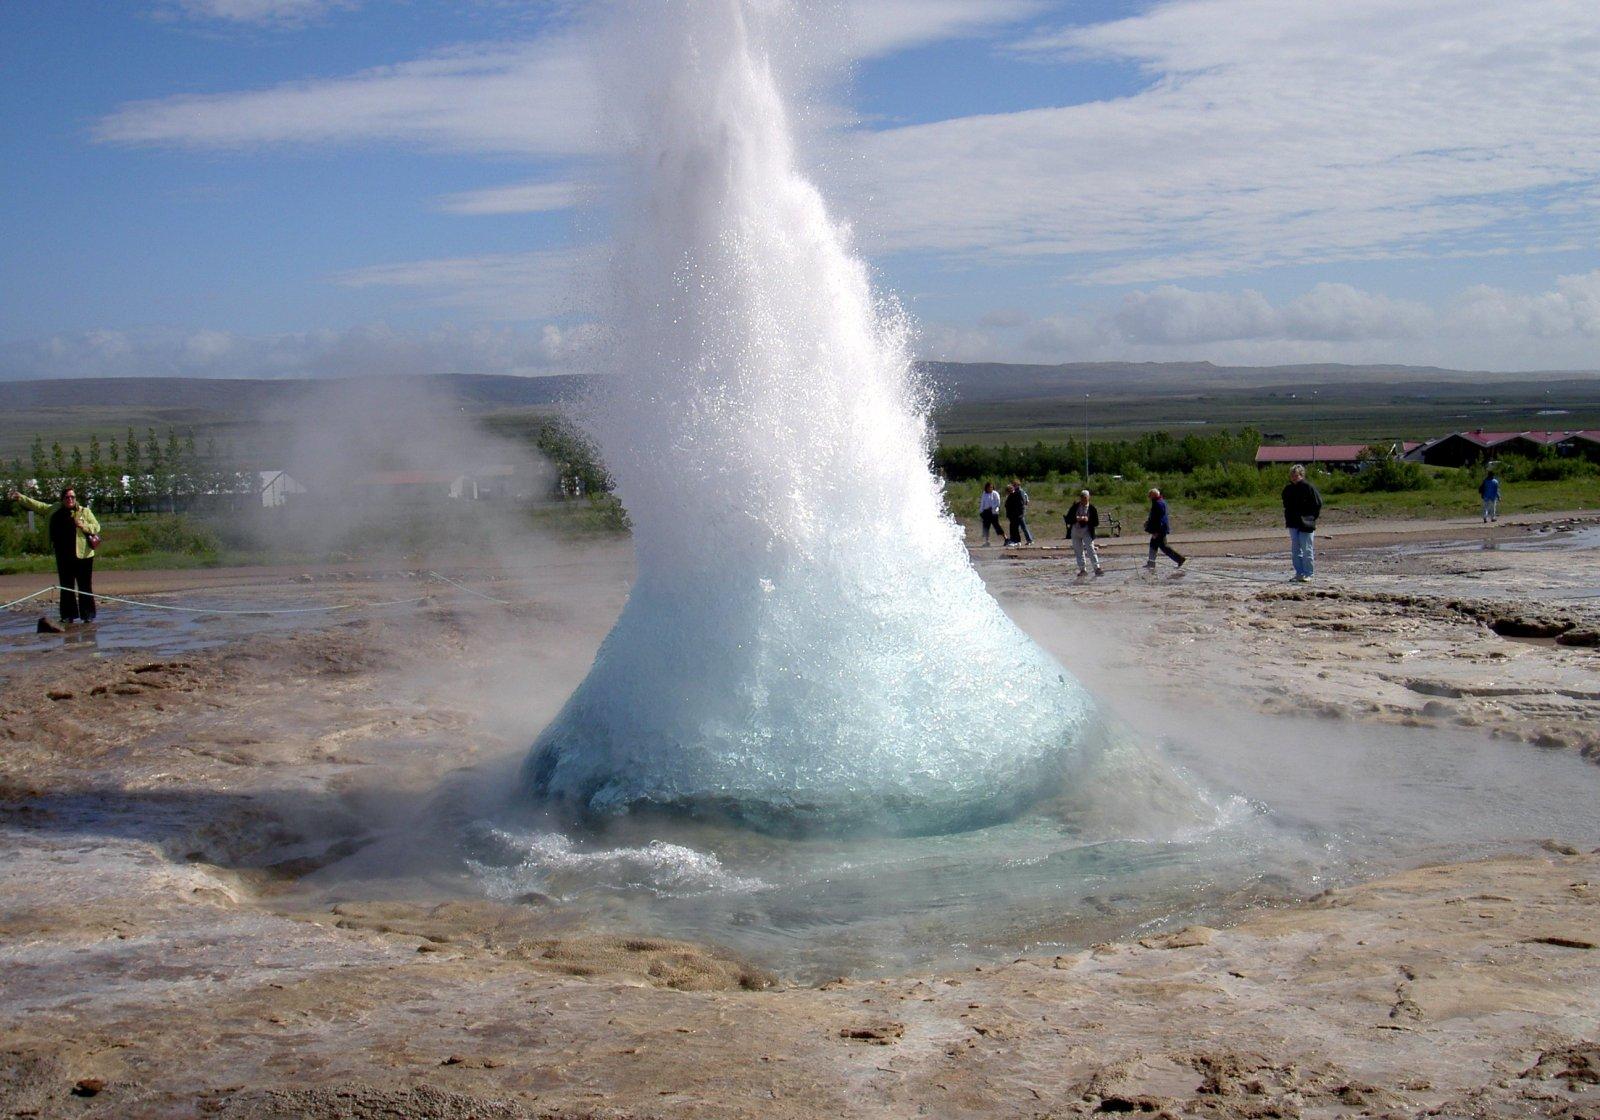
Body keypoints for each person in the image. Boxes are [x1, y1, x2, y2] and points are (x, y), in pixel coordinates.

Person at [10, 486, 101, 623]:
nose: (70, 499)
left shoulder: (84, 511)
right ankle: (68, 616)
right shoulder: (54, 509)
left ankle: (88, 616)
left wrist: (83, 526)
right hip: (63, 555)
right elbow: (38, 506)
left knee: (84, 586)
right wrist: (21, 498)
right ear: (62, 499)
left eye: (72, 497)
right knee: (66, 586)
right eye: (67, 497)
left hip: (83, 555)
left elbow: (96, 527)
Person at [1281, 464, 1323, 582]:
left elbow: (1318, 503)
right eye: (1292, 476)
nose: (1294, 478)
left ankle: (1308, 573)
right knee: (1295, 550)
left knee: (1307, 549)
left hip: (1306, 523)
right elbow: (1285, 503)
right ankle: (1299, 573)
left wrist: (1311, 517)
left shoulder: (1308, 487)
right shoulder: (1288, 489)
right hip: (1293, 523)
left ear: (1301, 475)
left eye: (1296, 475)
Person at [1143, 488, 1186, 570]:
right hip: (1160, 528)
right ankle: (1151, 563)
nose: (1149, 497)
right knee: (1153, 544)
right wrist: (1148, 522)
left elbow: (1158, 519)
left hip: (1160, 529)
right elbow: (1154, 517)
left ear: (1154, 495)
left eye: (1150, 495)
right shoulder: (1160, 502)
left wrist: (1155, 531)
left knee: (1164, 547)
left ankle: (1180, 559)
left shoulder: (1158, 504)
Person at [1065, 489, 1103, 576]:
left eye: (1085, 498)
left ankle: (1097, 568)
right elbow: (1068, 519)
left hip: (1087, 531)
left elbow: (1096, 522)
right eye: (1082, 497)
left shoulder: (1092, 508)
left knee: (1090, 549)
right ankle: (1082, 569)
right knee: (1078, 551)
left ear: (1089, 497)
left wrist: (1087, 520)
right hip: (1075, 530)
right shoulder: (1075, 507)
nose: (1083, 500)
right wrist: (1076, 519)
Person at [978, 481, 1004, 546]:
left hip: (993, 512)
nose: (990, 488)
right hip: (986, 512)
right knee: (986, 527)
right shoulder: (984, 494)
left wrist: (992, 507)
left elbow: (998, 502)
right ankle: (987, 541)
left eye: (991, 487)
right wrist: (981, 511)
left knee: (997, 526)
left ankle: (1005, 538)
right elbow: (982, 503)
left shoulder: (995, 493)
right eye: (989, 487)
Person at [1002, 481, 1027, 546]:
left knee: (1014, 528)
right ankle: (1016, 541)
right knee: (1013, 528)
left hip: (1016, 515)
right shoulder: (1010, 495)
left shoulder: (1017, 494)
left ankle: (1016, 541)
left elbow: (1020, 505)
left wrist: (1020, 514)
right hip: (1012, 515)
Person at [1010, 478, 1033, 545]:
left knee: (1023, 527)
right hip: (1018, 512)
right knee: (1020, 527)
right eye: (1013, 485)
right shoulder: (1017, 492)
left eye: (1014, 485)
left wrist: (1021, 512)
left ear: (1018, 485)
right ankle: (1019, 540)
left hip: (1020, 512)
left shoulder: (1020, 491)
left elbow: (1022, 502)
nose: (1013, 486)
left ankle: (1030, 540)